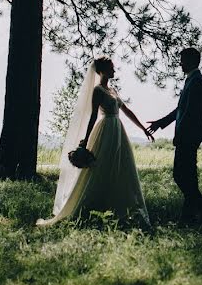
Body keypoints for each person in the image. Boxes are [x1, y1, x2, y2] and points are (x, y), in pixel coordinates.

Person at [37, 57, 153, 227]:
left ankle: (121, 209)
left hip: (118, 130)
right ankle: (93, 208)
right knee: (101, 166)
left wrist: (143, 128)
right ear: (103, 70)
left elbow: (126, 110)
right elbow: (92, 116)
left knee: (121, 166)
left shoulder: (113, 90)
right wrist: (85, 140)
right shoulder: (98, 90)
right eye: (111, 68)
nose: (114, 71)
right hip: (106, 129)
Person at [147, 47, 202, 224]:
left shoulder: (197, 81)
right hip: (188, 135)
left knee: (182, 175)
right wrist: (161, 123)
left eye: (182, 60)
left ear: (192, 61)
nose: (180, 63)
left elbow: (190, 113)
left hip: (189, 136)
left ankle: (201, 210)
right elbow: (180, 109)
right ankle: (191, 215)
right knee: (186, 176)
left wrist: (180, 135)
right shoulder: (192, 80)